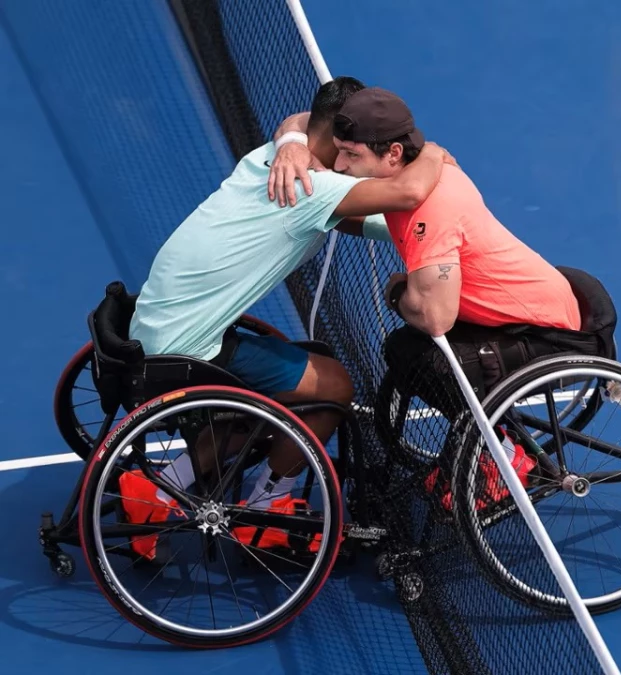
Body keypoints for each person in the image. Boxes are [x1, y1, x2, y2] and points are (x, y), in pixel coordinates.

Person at [118, 76, 457, 558]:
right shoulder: (315, 186)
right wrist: (434, 153)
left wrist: (293, 139)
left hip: (155, 326)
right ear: (341, 135)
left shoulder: (272, 159)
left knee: (288, 386)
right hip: (188, 348)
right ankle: (266, 502)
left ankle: (155, 488)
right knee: (335, 386)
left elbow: (358, 203)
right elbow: (405, 195)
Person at [272, 86, 611, 508]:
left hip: (549, 336)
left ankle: (504, 457)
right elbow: (353, 206)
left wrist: (396, 291)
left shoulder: (429, 211)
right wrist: (300, 163)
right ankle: (487, 441)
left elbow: (435, 318)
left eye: (351, 155)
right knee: (401, 347)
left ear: (393, 154)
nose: (340, 165)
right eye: (339, 151)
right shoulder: (407, 178)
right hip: (514, 314)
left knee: (428, 359)